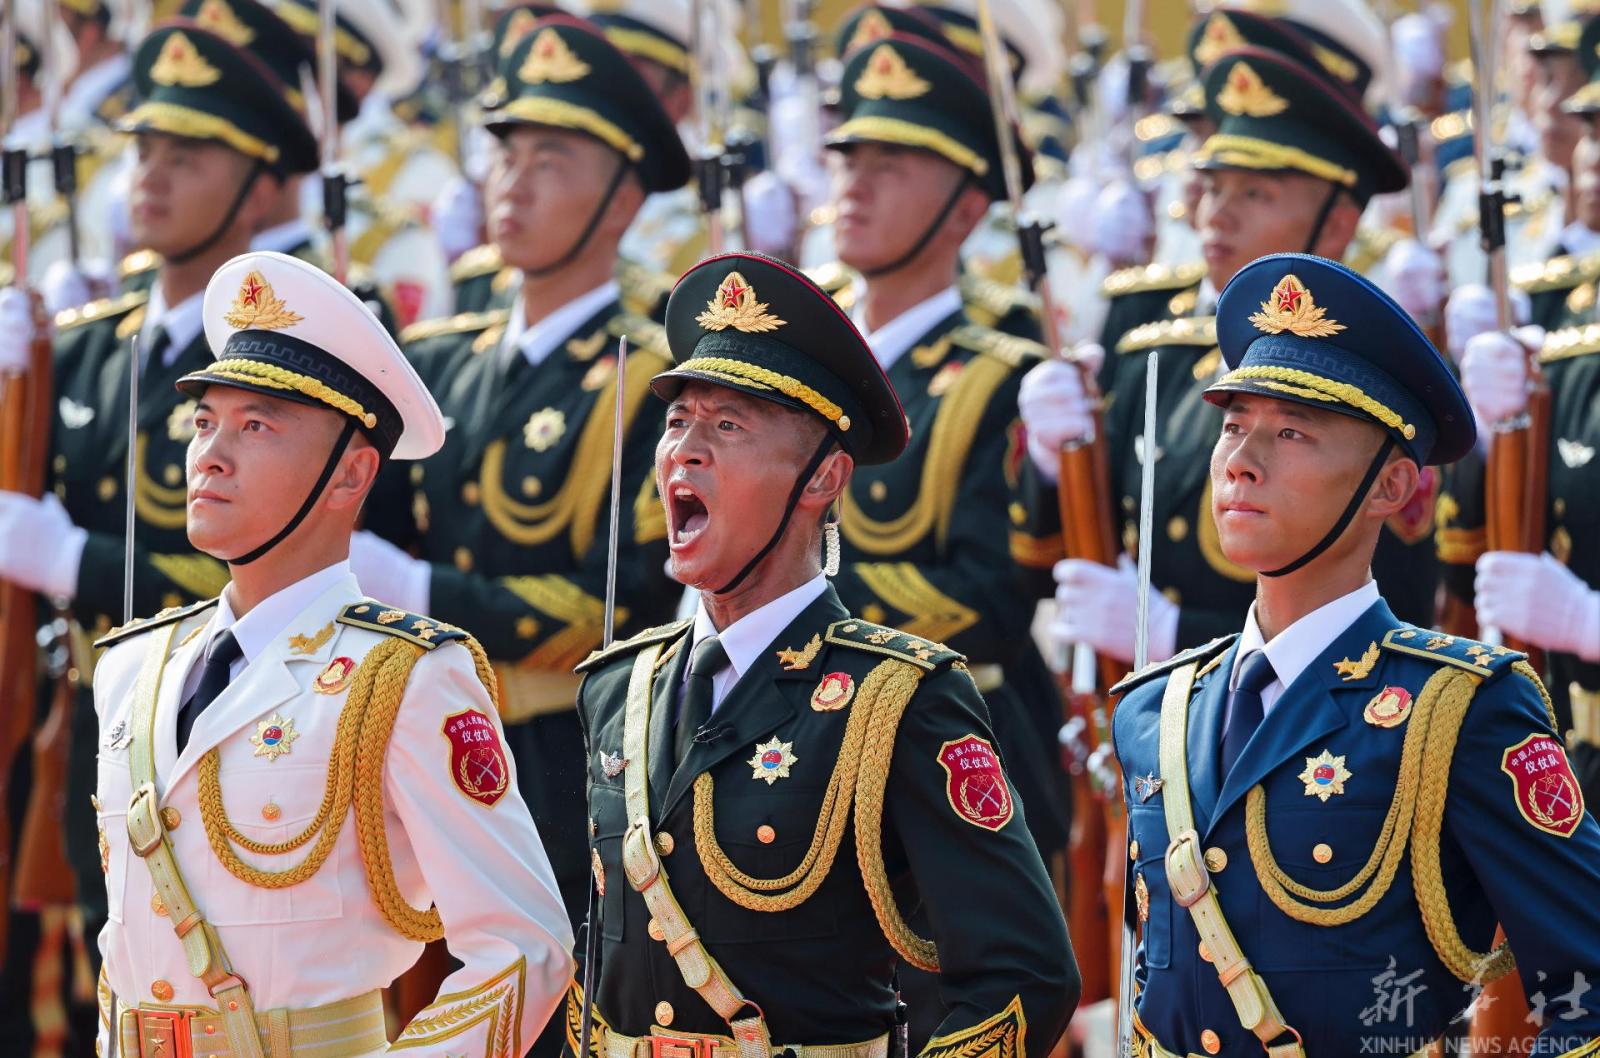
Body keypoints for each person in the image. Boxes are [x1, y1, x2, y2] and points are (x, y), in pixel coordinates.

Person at [567, 250, 1078, 1057]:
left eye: (727, 426)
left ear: (822, 478)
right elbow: (601, 967)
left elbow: (1026, 978)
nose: (685, 451)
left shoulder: (899, 698)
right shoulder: (618, 687)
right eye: (677, 421)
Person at [1112, 251, 1600, 1056]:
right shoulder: (1154, 709)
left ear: (1390, 487)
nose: (1241, 459)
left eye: (1291, 432)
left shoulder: (1463, 710)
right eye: (1234, 425)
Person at [89, 249, 573, 1057]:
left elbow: (526, 945)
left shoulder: (408, 676)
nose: (208, 452)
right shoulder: (132, 668)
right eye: (205, 420)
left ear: (351, 475)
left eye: (256, 426)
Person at [352, 8, 690, 984]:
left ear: (623, 199)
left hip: (561, 757)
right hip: (417, 746)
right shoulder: (438, 361)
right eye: (505, 155)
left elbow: (622, 607)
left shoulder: (651, 373)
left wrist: (420, 588)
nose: (513, 183)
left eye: (551, 161)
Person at [1017, 44, 1441, 672]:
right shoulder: (1153, 342)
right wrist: (1053, 463)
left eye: (1256, 194)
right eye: (1213, 187)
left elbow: (1399, 614)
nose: (1218, 214)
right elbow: (1052, 553)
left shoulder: (1372, 370)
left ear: (1336, 224)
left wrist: (1176, 635)